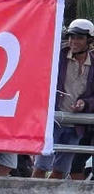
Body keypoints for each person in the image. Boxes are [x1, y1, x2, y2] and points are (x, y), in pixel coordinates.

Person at [32, 18, 94, 179]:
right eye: (72, 37)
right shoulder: (56, 56)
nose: (74, 41)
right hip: (53, 120)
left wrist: (85, 103)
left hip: (76, 125)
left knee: (61, 170)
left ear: (89, 40)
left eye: (79, 37)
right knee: (41, 166)